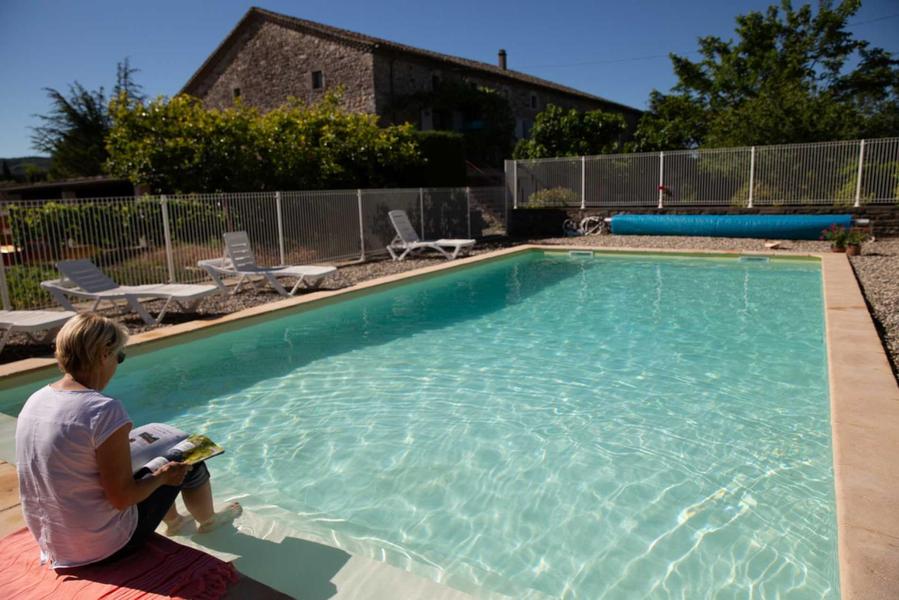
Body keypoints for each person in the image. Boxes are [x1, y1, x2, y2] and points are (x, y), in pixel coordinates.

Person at [15, 312, 241, 568]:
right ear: (103, 355)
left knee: (146, 460)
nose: (117, 364)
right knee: (189, 455)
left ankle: (175, 522)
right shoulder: (103, 410)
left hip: (54, 541)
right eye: (119, 356)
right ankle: (209, 521)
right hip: (101, 546)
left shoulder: (36, 399)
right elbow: (122, 498)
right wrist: (163, 477)